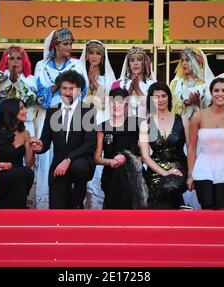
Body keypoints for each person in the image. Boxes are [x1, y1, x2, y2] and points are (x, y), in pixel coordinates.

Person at [33, 28, 88, 209]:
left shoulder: (77, 65)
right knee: (47, 151)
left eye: (71, 44)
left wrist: (67, 95)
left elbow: (84, 90)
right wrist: (55, 89)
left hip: (73, 116)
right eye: (65, 44)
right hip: (49, 114)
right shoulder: (41, 65)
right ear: (55, 46)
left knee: (75, 154)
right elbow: (38, 95)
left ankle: (76, 200)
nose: (69, 47)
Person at [32, 70, 96, 209]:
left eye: (71, 89)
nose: (67, 92)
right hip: (58, 167)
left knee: (78, 167)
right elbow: (46, 142)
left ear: (79, 91)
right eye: (64, 88)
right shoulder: (52, 111)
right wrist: (39, 146)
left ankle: (78, 201)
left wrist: (68, 160)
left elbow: (90, 143)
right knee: (57, 210)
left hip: (80, 164)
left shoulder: (87, 111)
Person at [188, 78, 224, 210]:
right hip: (204, 169)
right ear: (211, 93)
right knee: (207, 212)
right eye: (216, 90)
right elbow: (191, 148)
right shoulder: (198, 117)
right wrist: (190, 175)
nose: (220, 94)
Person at [139, 82, 190, 209]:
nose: (160, 100)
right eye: (156, 97)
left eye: (163, 96)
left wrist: (191, 174)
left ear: (169, 97)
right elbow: (145, 157)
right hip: (156, 170)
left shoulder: (182, 119)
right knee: (158, 192)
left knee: (170, 187)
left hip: (180, 168)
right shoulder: (145, 124)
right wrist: (164, 172)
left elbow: (192, 149)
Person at [94, 88, 145, 209]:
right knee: (118, 172)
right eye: (113, 102)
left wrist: (128, 159)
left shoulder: (137, 124)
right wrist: (112, 161)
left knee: (122, 173)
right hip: (111, 173)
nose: (116, 106)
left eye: (120, 102)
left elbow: (144, 156)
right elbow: (96, 159)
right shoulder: (102, 127)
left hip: (134, 172)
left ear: (126, 106)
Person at [80, 40, 115, 209]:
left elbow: (107, 103)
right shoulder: (78, 74)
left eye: (97, 53)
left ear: (102, 57)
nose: (94, 56)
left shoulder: (108, 78)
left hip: (101, 119)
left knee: (99, 160)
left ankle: (99, 208)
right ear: (86, 55)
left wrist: (95, 85)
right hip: (82, 122)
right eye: (91, 52)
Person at [0, 98, 35, 209]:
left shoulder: (25, 133)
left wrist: (32, 147)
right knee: (22, 173)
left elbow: (28, 163)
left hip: (21, 174)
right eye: (22, 108)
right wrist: (1, 166)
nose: (25, 111)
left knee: (26, 173)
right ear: (11, 110)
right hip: (0, 174)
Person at [0, 46, 38, 137]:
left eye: (19, 58)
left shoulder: (31, 79)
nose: (16, 61)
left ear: (23, 61)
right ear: (6, 61)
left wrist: (17, 83)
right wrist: (8, 81)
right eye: (12, 58)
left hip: (24, 126)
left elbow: (31, 99)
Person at [112, 46, 156, 119]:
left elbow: (155, 110)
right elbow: (113, 108)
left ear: (144, 63)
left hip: (145, 126)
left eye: (139, 60)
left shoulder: (153, 84)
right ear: (128, 64)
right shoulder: (118, 83)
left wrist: (138, 90)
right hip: (124, 127)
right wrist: (128, 92)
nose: (135, 63)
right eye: (132, 60)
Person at [170, 47, 214, 118]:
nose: (184, 63)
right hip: (181, 125)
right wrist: (187, 102)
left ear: (196, 62)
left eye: (187, 60)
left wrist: (198, 103)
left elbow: (212, 108)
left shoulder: (208, 83)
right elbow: (170, 105)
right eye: (182, 60)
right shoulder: (176, 83)